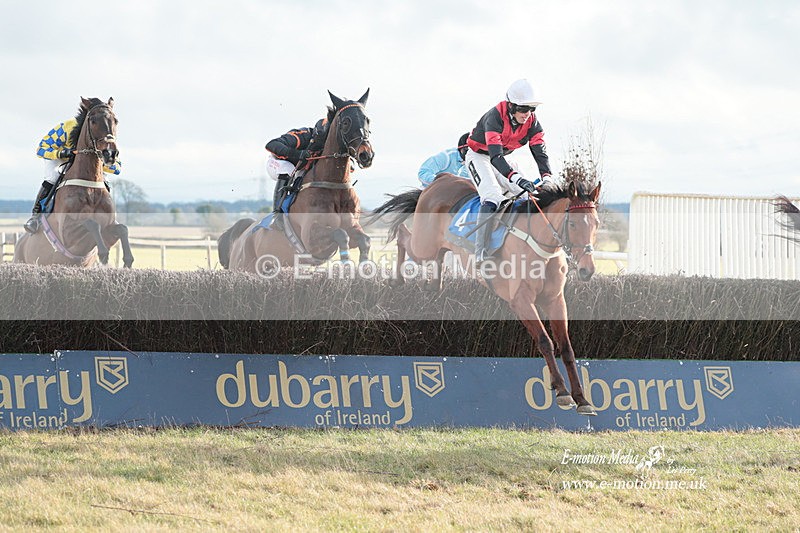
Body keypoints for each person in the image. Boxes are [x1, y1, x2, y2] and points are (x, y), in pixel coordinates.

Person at [464, 79, 554, 262]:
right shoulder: (495, 117)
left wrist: (547, 177)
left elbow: (539, 151)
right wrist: (517, 178)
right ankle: (481, 251)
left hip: (503, 157)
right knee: (493, 197)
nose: (527, 114)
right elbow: (495, 157)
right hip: (479, 156)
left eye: (531, 109)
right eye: (523, 109)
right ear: (511, 106)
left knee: (527, 196)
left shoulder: (532, 122)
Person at [24, 99, 122, 233]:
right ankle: (35, 217)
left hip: (86, 164)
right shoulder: (67, 127)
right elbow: (41, 149)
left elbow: (117, 169)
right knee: (53, 176)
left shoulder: (104, 134)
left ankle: (110, 219)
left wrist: (104, 161)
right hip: (60, 158)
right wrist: (62, 153)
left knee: (104, 181)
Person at [264, 117, 329, 229]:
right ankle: (277, 213)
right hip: (277, 163)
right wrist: (297, 153)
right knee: (288, 168)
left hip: (300, 169)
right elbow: (271, 144)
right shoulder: (302, 135)